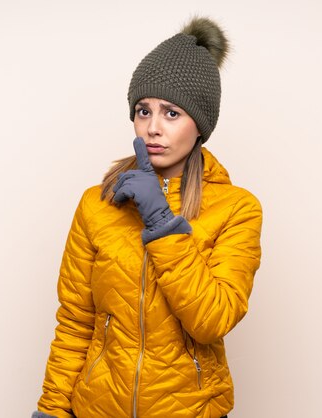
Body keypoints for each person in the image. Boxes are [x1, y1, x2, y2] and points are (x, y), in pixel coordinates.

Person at [32, 16, 262, 418]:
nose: (153, 128)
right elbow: (74, 322)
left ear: (200, 125)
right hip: (97, 409)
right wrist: (51, 411)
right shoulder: (97, 203)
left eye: (172, 113)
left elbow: (213, 320)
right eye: (143, 111)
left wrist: (160, 220)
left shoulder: (238, 208)